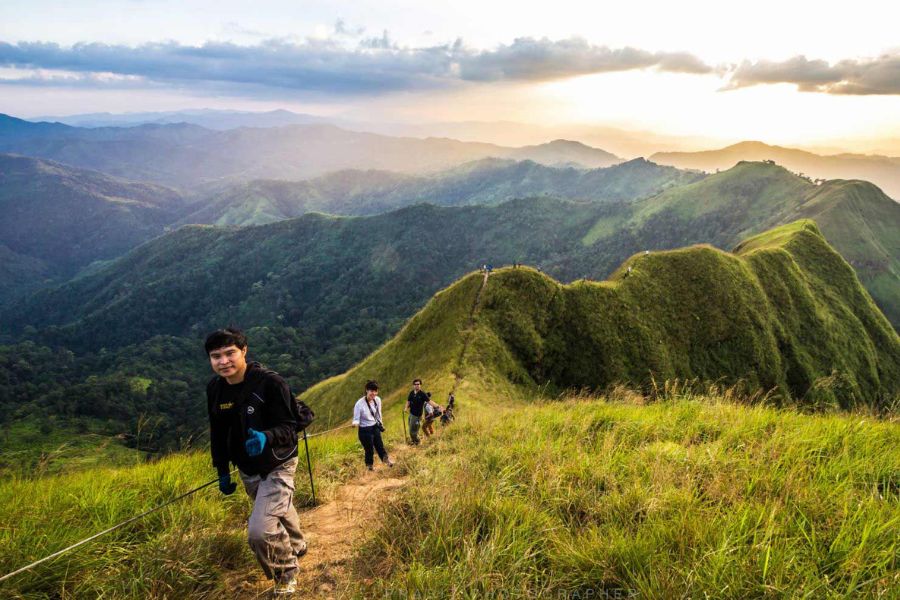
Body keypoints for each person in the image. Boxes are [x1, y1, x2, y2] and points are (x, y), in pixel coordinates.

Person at [205, 327, 305, 596]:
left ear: (244, 351)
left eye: (230, 353)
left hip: (278, 462)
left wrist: (266, 437)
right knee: (277, 508)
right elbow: (218, 432)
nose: (224, 361)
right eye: (216, 356)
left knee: (259, 531)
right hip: (247, 467)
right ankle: (297, 543)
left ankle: (285, 574)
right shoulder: (215, 389)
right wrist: (222, 470)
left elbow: (290, 426)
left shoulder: (271, 383)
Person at [352, 380, 394, 470]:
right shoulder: (359, 404)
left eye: (375, 391)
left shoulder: (377, 400)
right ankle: (369, 467)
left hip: (375, 427)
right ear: (367, 390)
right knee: (369, 449)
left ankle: (387, 462)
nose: (373, 393)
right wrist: (355, 423)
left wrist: (381, 424)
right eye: (371, 391)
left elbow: (379, 414)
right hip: (364, 430)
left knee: (380, 446)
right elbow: (356, 419)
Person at [406, 378, 431, 445]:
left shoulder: (422, 394)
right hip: (411, 413)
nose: (417, 385)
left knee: (412, 430)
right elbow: (408, 401)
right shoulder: (411, 392)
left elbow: (429, 401)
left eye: (418, 384)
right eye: (415, 384)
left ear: (420, 385)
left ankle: (417, 441)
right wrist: (406, 408)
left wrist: (437, 406)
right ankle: (414, 441)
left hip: (417, 415)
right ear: (413, 385)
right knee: (411, 428)